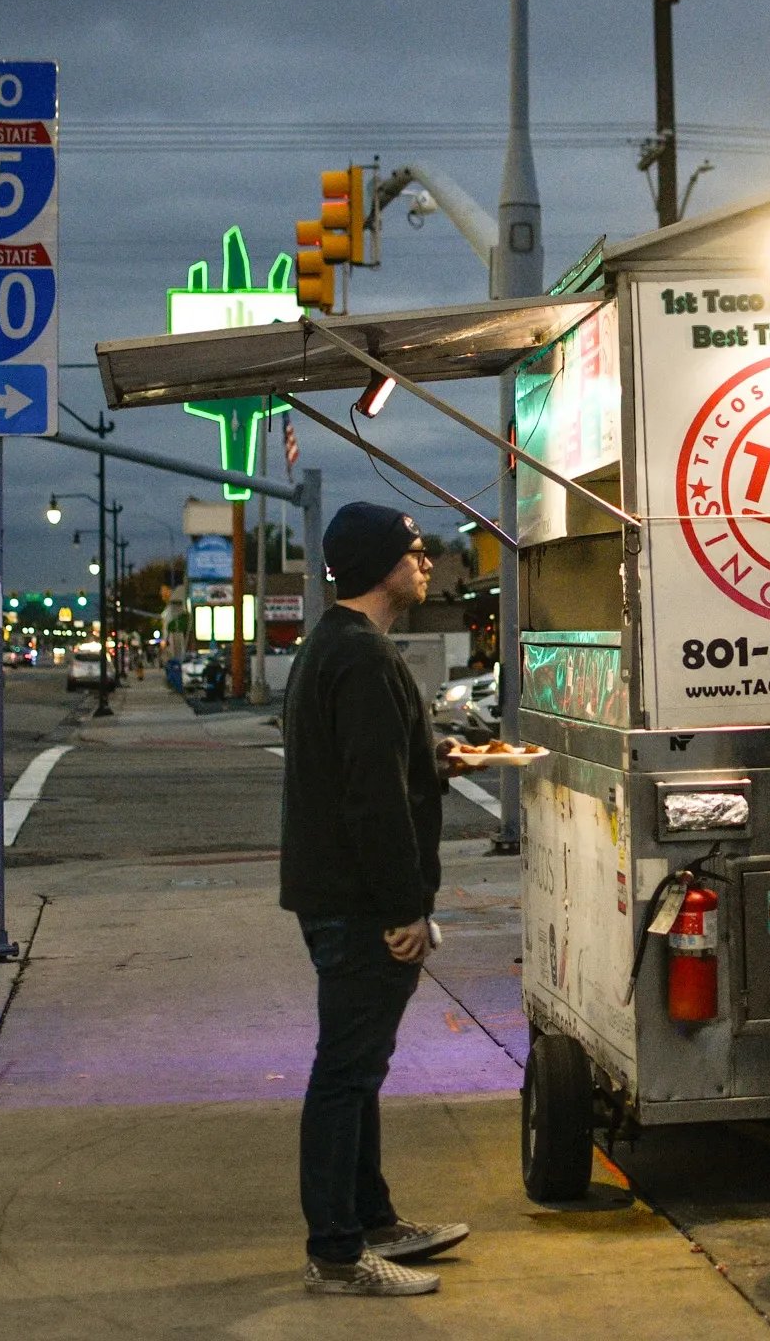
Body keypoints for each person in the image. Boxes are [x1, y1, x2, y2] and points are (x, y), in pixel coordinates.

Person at [280, 503, 472, 1298]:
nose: (426, 562)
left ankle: (372, 1219)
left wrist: (438, 757)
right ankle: (336, 1252)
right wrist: (405, 909)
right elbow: (369, 797)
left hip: (338, 894)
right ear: (376, 564)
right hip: (361, 903)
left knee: (358, 1069)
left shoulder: (337, 646)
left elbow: (372, 760)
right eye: (413, 552)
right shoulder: (359, 657)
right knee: (345, 1074)